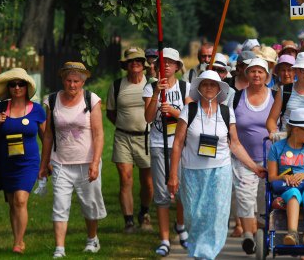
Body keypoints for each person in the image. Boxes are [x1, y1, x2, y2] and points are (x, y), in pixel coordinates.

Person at [168, 70, 265, 259]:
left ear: (220, 89)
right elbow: (178, 143)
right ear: (200, 88)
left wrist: (254, 167)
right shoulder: (190, 110)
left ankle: (208, 254)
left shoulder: (226, 112)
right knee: (194, 216)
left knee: (217, 217)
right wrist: (173, 174)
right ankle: (197, 251)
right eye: (205, 84)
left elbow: (235, 144)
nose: (210, 88)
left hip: (220, 171)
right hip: (192, 171)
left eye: (213, 85)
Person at [39, 62, 107, 258]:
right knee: (59, 204)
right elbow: (48, 135)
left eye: (76, 81)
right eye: (69, 80)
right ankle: (59, 248)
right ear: (63, 80)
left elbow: (99, 134)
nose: (72, 85)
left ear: (82, 82)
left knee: (90, 203)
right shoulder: (51, 100)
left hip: (87, 162)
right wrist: (44, 164)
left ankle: (92, 239)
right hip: (61, 161)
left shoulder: (91, 99)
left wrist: (95, 163)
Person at [0, 67, 46, 254]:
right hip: (7, 162)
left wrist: (47, 161)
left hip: (28, 163)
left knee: (20, 200)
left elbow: (46, 138)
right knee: (12, 203)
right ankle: (17, 238)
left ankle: (18, 243)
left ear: (27, 87)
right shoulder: (1, 108)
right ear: (9, 88)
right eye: (13, 84)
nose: (17, 87)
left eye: (21, 84)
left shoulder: (37, 110)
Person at [143, 47, 191, 256]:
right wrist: (155, 94)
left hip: (180, 145)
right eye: (163, 63)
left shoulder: (185, 87)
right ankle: (164, 239)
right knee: (162, 194)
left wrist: (174, 112)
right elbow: (148, 117)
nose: (167, 66)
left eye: (171, 63)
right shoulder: (150, 87)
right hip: (158, 144)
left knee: (181, 190)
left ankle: (180, 226)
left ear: (177, 66)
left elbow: (191, 117)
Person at [106, 48, 153, 233]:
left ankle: (144, 213)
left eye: (139, 61)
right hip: (123, 137)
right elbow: (110, 112)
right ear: (126, 65)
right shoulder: (117, 85)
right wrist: (123, 124)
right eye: (131, 61)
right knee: (125, 179)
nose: (135, 64)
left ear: (143, 65)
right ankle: (129, 221)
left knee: (148, 183)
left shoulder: (151, 84)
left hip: (147, 138)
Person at [231, 58, 275, 254]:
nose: (256, 75)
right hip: (243, 158)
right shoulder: (236, 97)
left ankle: (264, 235)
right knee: (245, 197)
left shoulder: (276, 96)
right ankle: (249, 236)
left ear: (267, 75)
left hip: (271, 160)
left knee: (265, 200)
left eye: (261, 72)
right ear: (246, 74)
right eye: (253, 71)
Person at [267, 108, 304, 246]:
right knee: (294, 193)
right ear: (295, 130)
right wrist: (283, 177)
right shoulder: (277, 148)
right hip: (287, 187)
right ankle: (291, 233)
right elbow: (271, 178)